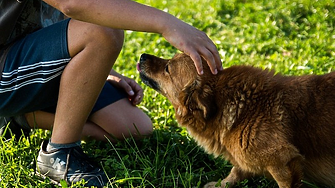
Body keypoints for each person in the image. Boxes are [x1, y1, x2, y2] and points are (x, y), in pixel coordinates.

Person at [0, 0, 223, 187]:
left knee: (133, 127)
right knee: (103, 31)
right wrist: (168, 24)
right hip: (4, 65)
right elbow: (73, 4)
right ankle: (59, 154)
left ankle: (19, 117)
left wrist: (98, 67)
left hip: (33, 57)